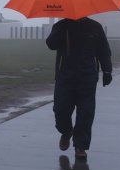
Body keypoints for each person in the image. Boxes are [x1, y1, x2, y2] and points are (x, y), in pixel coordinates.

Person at [45, 16, 112, 160]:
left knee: (86, 113)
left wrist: (107, 71)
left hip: (87, 76)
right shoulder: (61, 26)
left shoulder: (95, 27)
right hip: (65, 76)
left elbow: (104, 50)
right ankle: (66, 131)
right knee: (60, 109)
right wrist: (60, 29)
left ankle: (80, 146)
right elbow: (51, 44)